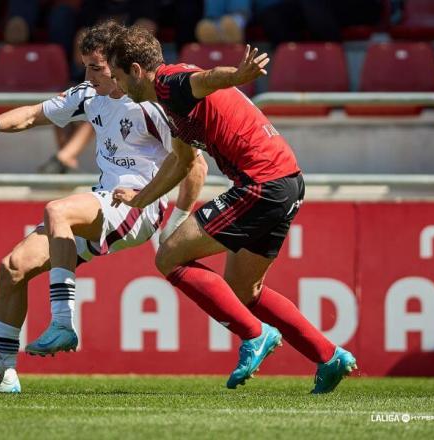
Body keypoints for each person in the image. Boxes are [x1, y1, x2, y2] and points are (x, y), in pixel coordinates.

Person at [0, 20, 207, 393]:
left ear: (119, 65)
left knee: (58, 210)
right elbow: (32, 114)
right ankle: (4, 373)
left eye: (96, 67)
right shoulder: (89, 94)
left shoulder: (153, 103)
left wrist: (177, 223)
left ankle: (62, 322)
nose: (88, 74)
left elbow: (195, 164)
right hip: (102, 203)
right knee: (12, 268)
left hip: (138, 206)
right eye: (85, 66)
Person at [107, 25, 357, 393]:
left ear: (136, 70)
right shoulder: (169, 104)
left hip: (262, 183)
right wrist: (140, 199)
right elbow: (181, 163)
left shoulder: (168, 83)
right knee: (244, 290)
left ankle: (254, 335)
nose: (117, 86)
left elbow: (206, 79)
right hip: (286, 183)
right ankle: (328, 355)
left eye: (117, 76)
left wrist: (237, 76)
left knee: (168, 256)